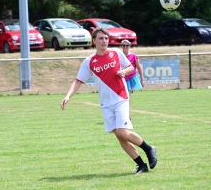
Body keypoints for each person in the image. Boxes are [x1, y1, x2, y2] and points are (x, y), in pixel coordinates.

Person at [60, 27, 157, 174]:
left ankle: (149, 148)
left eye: (106, 38)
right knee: (119, 136)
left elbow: (130, 67)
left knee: (123, 132)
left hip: (121, 98)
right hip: (106, 103)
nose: (104, 41)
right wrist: (68, 96)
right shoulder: (89, 61)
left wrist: (124, 72)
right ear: (94, 41)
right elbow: (78, 81)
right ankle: (141, 165)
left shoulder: (116, 53)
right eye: (100, 38)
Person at [121, 40, 144, 119]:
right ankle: (124, 115)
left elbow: (139, 67)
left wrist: (142, 79)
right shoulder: (119, 56)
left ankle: (128, 116)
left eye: (127, 45)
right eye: (123, 45)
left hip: (131, 79)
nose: (125, 47)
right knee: (121, 98)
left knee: (126, 97)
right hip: (122, 79)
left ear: (129, 46)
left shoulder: (133, 56)